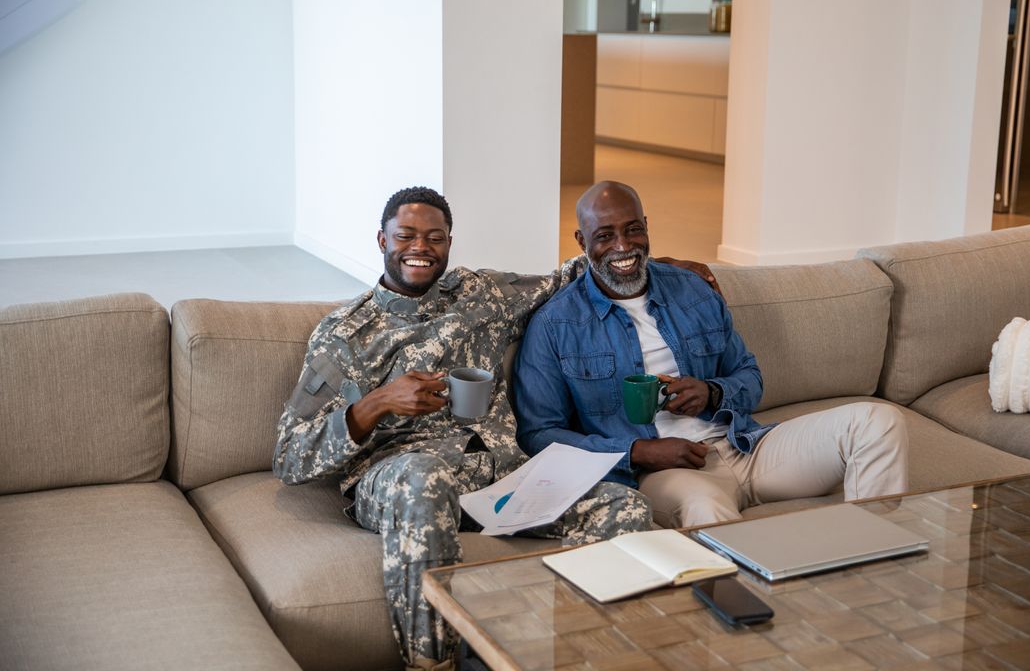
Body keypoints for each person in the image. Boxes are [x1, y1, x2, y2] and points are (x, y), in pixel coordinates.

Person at [272, 186, 715, 671]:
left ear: (449, 242)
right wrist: (378, 403)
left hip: (501, 478)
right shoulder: (346, 334)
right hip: (404, 479)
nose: (420, 248)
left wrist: (659, 267)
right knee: (424, 477)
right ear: (382, 240)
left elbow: (573, 273)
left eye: (434, 237)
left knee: (625, 506)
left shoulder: (480, 293)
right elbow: (291, 455)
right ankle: (434, 665)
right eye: (405, 236)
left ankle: (567, 654)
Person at [513, 180, 909, 530]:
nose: (623, 246)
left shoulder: (693, 290)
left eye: (633, 229)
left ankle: (874, 556)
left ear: (647, 226)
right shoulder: (555, 324)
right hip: (667, 473)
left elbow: (749, 376)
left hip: (745, 447)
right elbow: (539, 434)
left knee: (878, 421)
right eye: (605, 235)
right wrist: (638, 452)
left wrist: (712, 392)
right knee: (706, 508)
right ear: (581, 241)